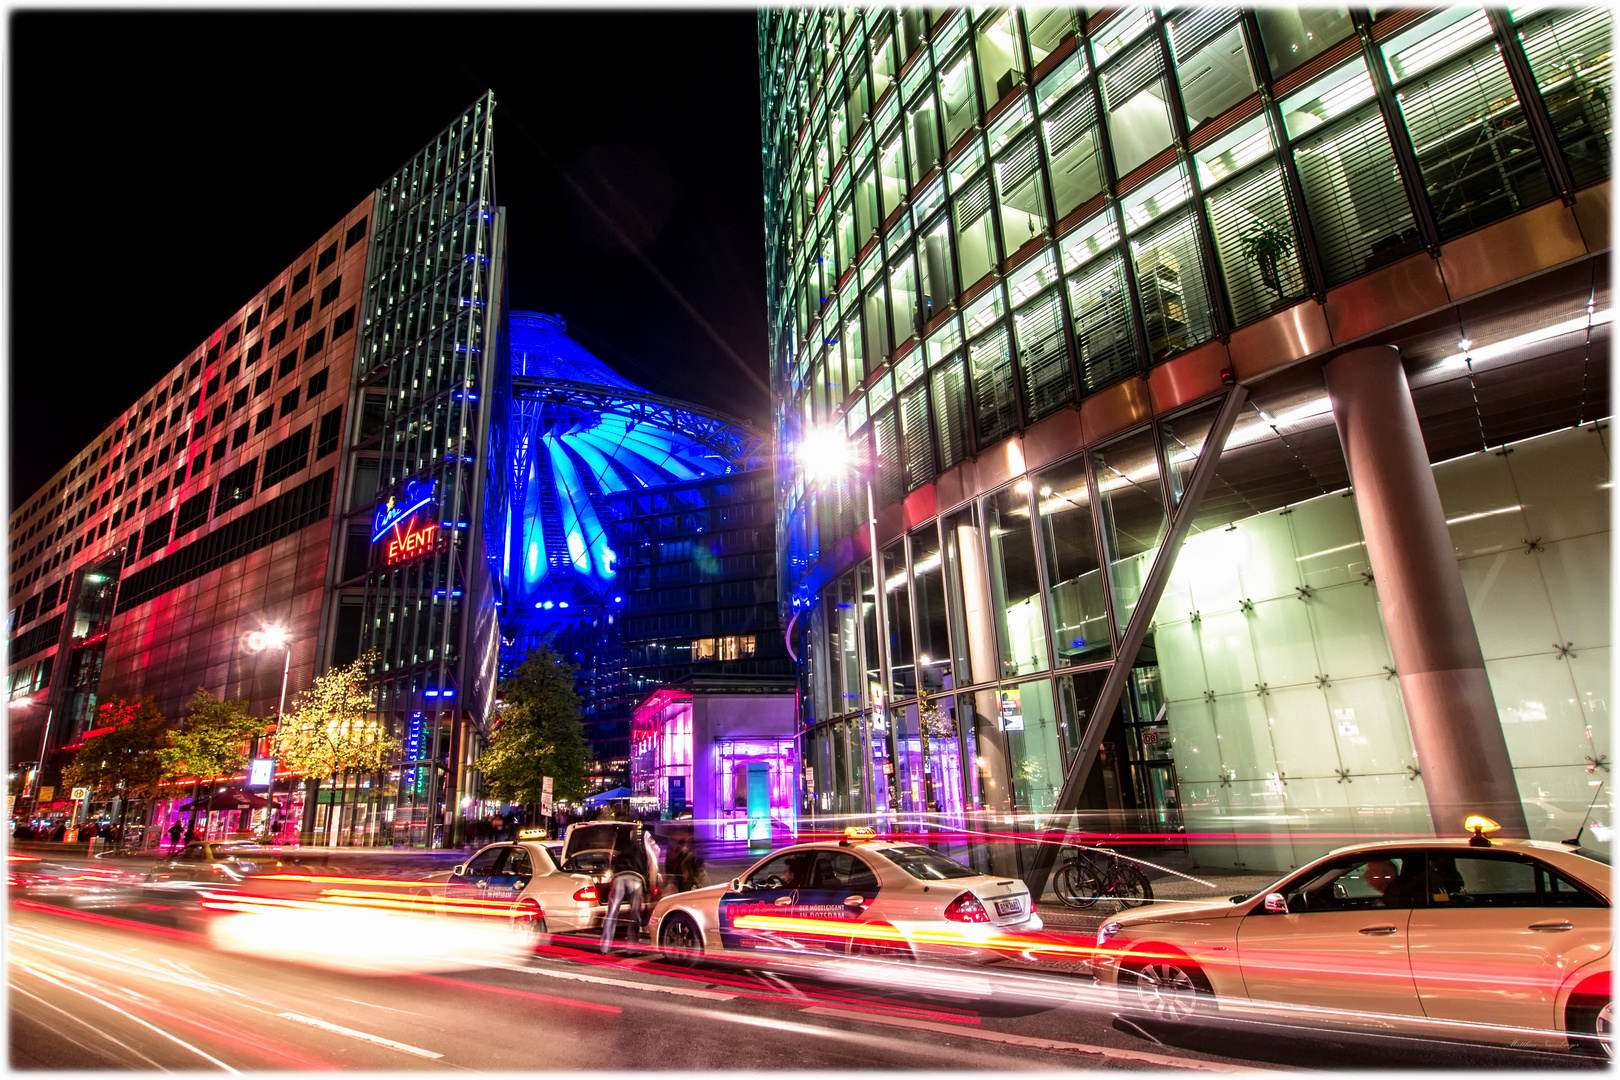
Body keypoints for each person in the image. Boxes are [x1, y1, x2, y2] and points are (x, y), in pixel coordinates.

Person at [599, 836, 650, 954]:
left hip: (619, 878)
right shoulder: (641, 848)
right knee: (634, 915)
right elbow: (648, 866)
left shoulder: (618, 846)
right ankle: (632, 949)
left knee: (612, 913)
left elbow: (610, 860)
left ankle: (604, 947)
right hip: (636, 879)